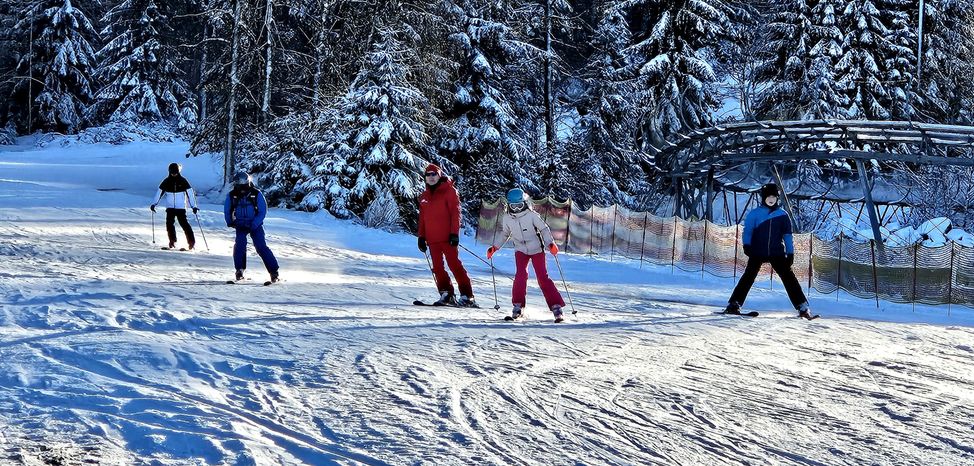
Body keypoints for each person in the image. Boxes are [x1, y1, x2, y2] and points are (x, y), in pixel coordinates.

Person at [725, 183, 815, 319]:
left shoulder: (782, 215)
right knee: (748, 277)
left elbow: (788, 236)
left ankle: (803, 307)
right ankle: (734, 304)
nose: (771, 199)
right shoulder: (755, 214)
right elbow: (747, 231)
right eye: (768, 197)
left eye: (774, 197)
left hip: (776, 252)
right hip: (757, 251)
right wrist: (747, 245)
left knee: (789, 278)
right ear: (764, 198)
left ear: (777, 198)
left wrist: (790, 253)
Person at [487, 188, 566, 323]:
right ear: (508, 206)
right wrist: (495, 247)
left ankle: (556, 307)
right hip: (520, 250)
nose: (517, 209)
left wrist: (550, 244)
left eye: (519, 205)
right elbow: (504, 234)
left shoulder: (532, 215)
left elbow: (544, 228)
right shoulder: (507, 218)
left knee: (542, 277)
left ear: (525, 203)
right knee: (520, 276)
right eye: (513, 206)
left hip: (537, 249)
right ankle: (518, 306)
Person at [417, 163, 475, 306]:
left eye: (433, 174)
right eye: (428, 175)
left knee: (454, 265)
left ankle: (467, 295)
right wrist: (421, 236)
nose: (431, 177)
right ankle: (446, 293)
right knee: (437, 268)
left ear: (439, 175)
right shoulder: (424, 195)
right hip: (432, 239)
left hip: (447, 237)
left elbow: (456, 214)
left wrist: (454, 234)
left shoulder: (449, 191)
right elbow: (423, 218)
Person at [224, 171, 279, 283]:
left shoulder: (256, 194)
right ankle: (239, 270)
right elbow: (227, 209)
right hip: (241, 224)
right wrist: (230, 221)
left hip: (255, 225)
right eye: (238, 185)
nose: (241, 188)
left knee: (261, 246)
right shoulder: (232, 195)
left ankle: (274, 272)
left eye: (242, 185)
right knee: (240, 245)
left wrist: (254, 224)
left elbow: (262, 211)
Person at [151, 162, 198, 250]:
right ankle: (172, 241)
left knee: (184, 225)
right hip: (170, 207)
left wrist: (193, 206)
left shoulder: (183, 181)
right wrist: (154, 204)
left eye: (175, 172)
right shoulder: (166, 181)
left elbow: (190, 194)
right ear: (169, 172)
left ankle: (191, 243)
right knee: (169, 225)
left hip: (180, 207)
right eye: (172, 172)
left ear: (178, 171)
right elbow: (159, 193)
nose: (174, 174)